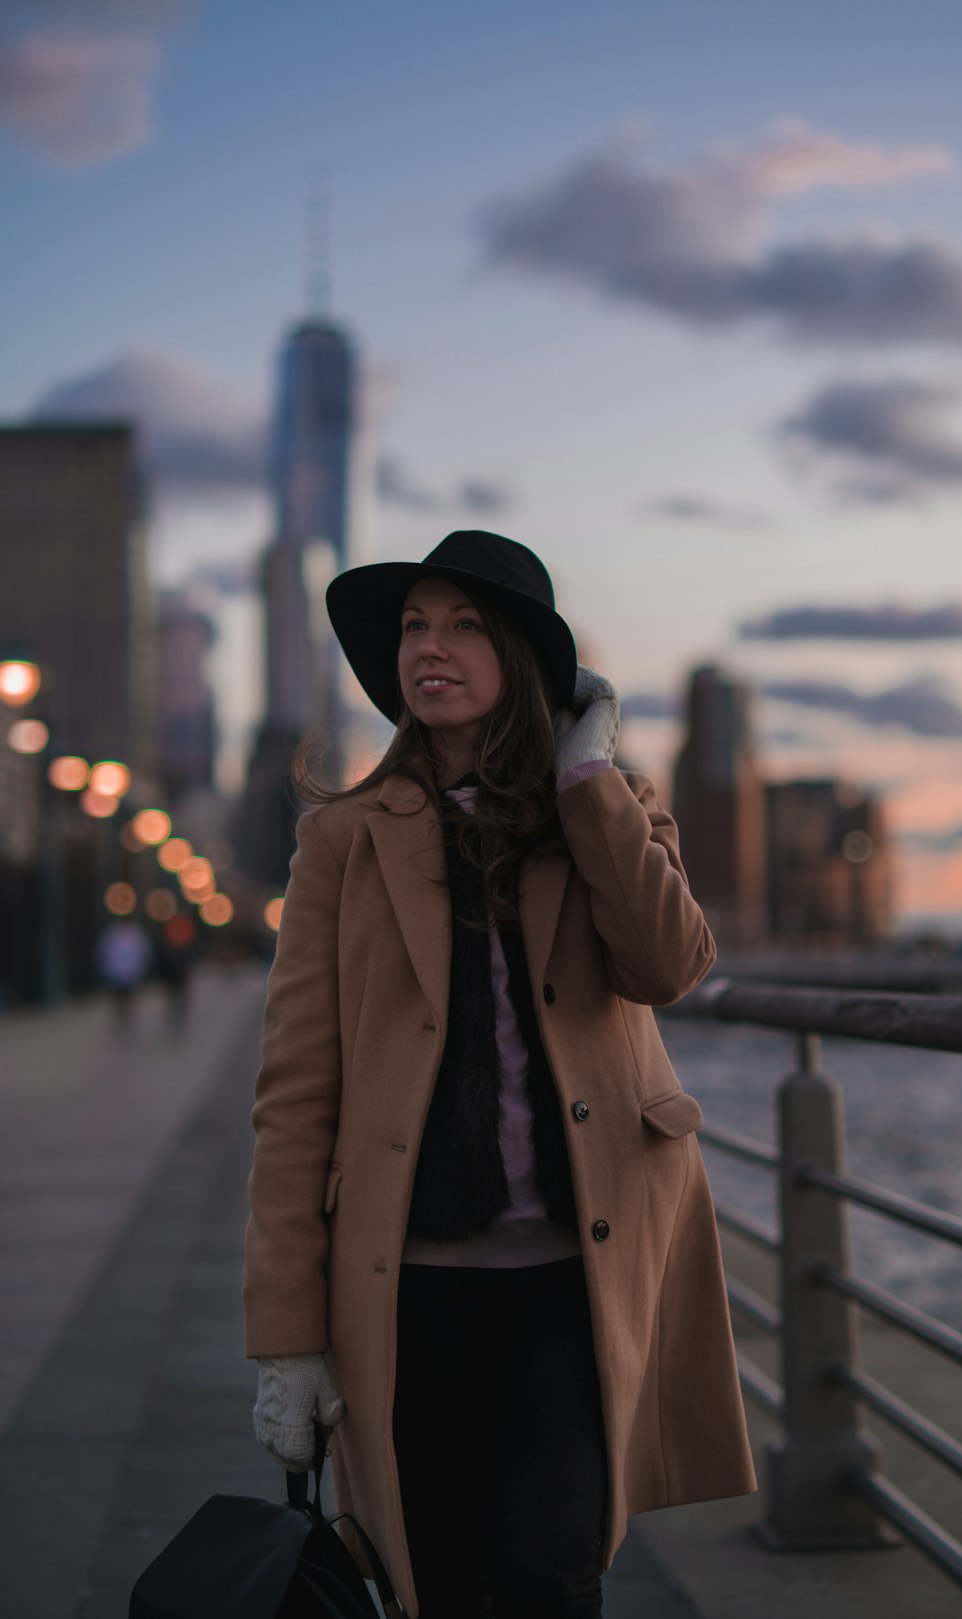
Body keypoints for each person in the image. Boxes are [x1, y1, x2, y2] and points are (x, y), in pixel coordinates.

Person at [243, 531, 755, 1619]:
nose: (430, 646)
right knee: (435, 1580)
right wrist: (286, 1336)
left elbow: (669, 963)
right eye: (415, 627)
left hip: (574, 1275)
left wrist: (588, 777)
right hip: (405, 1285)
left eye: (466, 625)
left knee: (551, 1575)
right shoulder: (342, 838)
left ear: (523, 655)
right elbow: (295, 1095)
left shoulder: (606, 805)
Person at [95, 915, 154, 1037]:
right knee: (118, 999)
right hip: (117, 973)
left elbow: (145, 952)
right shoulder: (114, 933)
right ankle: (120, 1020)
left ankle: (125, 1021)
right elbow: (103, 951)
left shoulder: (135, 933)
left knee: (128, 999)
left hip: (131, 973)